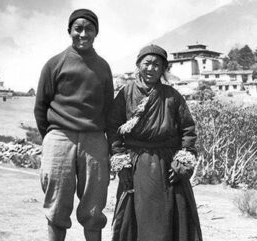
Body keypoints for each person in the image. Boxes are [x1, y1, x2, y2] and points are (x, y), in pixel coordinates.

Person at [107, 44, 203, 241]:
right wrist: (120, 161)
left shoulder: (172, 96)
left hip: (167, 166)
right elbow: (113, 128)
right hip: (135, 165)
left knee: (169, 219)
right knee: (134, 220)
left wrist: (183, 161)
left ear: (163, 69)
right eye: (147, 63)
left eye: (157, 65)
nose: (151, 68)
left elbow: (187, 130)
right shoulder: (126, 94)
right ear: (138, 65)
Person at [34, 9, 114, 241]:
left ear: (96, 33)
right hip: (59, 138)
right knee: (57, 206)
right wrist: (52, 137)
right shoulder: (54, 64)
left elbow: (108, 109)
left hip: (94, 139)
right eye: (78, 28)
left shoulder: (103, 67)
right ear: (69, 30)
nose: (83, 33)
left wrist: (107, 145)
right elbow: (41, 106)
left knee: (94, 207)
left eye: (89, 29)